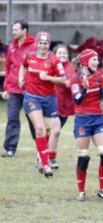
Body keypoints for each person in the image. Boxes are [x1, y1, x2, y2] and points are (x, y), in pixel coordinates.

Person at [70, 49, 103, 201]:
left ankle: (102, 190)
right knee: (83, 157)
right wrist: (85, 88)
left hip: (98, 119)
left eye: (97, 60)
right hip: (82, 120)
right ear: (85, 61)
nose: (96, 62)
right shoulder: (75, 78)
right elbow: (77, 100)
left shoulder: (99, 75)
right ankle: (81, 192)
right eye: (93, 60)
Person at [19, 32, 67, 177]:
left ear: (49, 45)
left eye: (45, 43)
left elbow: (63, 79)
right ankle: (46, 166)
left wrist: (48, 77)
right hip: (32, 98)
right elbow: (23, 66)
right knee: (39, 129)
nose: (43, 46)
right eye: (40, 43)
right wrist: (21, 78)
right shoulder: (29, 56)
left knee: (49, 131)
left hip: (49, 99)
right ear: (37, 44)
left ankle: (42, 157)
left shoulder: (54, 60)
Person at [1, 20, 35, 158]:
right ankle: (10, 149)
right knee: (12, 118)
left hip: (30, 90)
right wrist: (6, 88)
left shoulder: (34, 46)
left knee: (34, 120)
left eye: (16, 29)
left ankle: (42, 148)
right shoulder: (11, 47)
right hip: (13, 90)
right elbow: (9, 68)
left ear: (24, 30)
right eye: (13, 29)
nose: (13, 32)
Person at [47, 44, 75, 169]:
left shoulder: (72, 67)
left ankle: (43, 155)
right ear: (54, 54)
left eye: (65, 53)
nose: (63, 55)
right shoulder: (50, 65)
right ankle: (50, 158)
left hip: (66, 106)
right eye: (60, 53)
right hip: (52, 103)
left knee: (53, 133)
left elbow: (75, 82)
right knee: (56, 131)